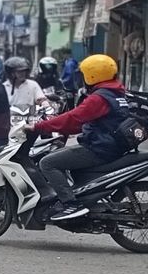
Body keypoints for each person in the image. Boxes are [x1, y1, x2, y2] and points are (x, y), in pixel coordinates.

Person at [28, 54, 138, 221]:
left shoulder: (99, 98)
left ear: (92, 75)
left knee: (48, 162)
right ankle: (82, 197)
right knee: (64, 155)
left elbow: (74, 118)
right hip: (110, 145)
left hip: (99, 149)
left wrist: (39, 126)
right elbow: (82, 121)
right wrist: (60, 124)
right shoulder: (116, 93)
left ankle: (70, 203)